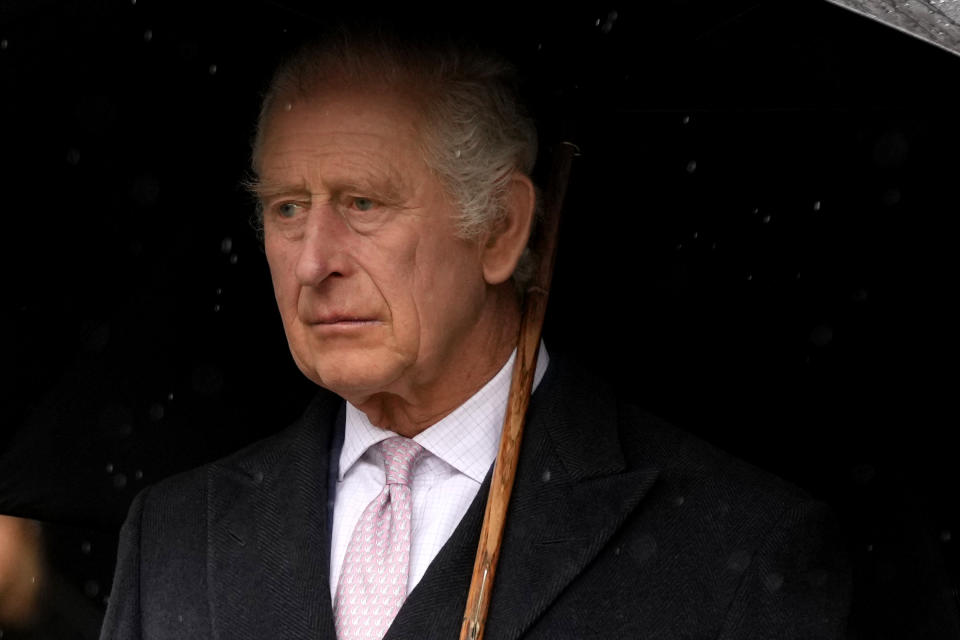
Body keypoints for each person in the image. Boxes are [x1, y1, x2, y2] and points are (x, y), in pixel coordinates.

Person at [99, 24, 850, 640]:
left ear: (501, 229)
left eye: (362, 202)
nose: (314, 261)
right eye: (287, 208)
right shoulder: (172, 534)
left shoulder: (733, 551)